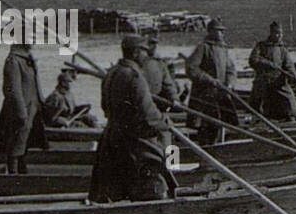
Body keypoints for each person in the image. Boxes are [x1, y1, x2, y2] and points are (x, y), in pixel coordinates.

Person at [89, 36, 174, 203]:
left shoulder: (112, 73)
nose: (146, 56)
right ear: (135, 52)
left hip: (111, 137)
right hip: (133, 141)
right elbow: (148, 113)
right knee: (152, 181)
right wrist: (164, 124)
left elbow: (105, 107)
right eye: (144, 52)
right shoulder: (135, 76)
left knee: (113, 186)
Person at [0, 40, 48, 174]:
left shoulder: (27, 59)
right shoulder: (13, 61)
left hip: (33, 108)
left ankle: (22, 172)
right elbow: (13, 90)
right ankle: (13, 175)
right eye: (31, 38)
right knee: (16, 145)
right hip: (21, 110)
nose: (35, 41)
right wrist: (21, 112)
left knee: (26, 142)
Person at [184, 18, 238, 144]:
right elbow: (191, 68)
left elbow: (231, 69)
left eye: (222, 31)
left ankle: (219, 146)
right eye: (219, 31)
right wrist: (209, 80)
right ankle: (205, 149)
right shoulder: (203, 48)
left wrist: (229, 83)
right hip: (204, 96)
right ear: (211, 32)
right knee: (207, 126)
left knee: (222, 123)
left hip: (221, 94)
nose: (222, 33)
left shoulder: (223, 49)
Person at [249, 21, 296, 120]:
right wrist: (269, 64)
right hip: (263, 81)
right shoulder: (261, 46)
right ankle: (257, 120)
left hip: (278, 81)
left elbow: (289, 65)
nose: (279, 35)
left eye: (280, 33)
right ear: (271, 33)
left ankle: (290, 118)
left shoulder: (282, 50)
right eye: (276, 33)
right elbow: (253, 60)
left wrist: (293, 75)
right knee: (258, 104)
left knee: (290, 104)